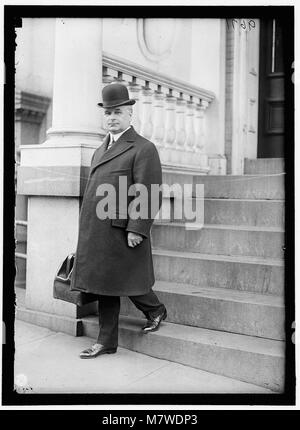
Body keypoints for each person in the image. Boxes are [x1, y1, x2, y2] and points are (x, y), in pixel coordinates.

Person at [70, 83, 167, 359]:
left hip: (123, 229)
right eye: (108, 113)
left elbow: (148, 192)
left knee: (130, 282)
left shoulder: (143, 148)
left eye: (118, 112)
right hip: (97, 230)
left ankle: (156, 310)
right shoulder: (100, 149)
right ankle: (106, 341)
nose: (112, 117)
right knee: (105, 285)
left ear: (130, 115)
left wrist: (137, 228)